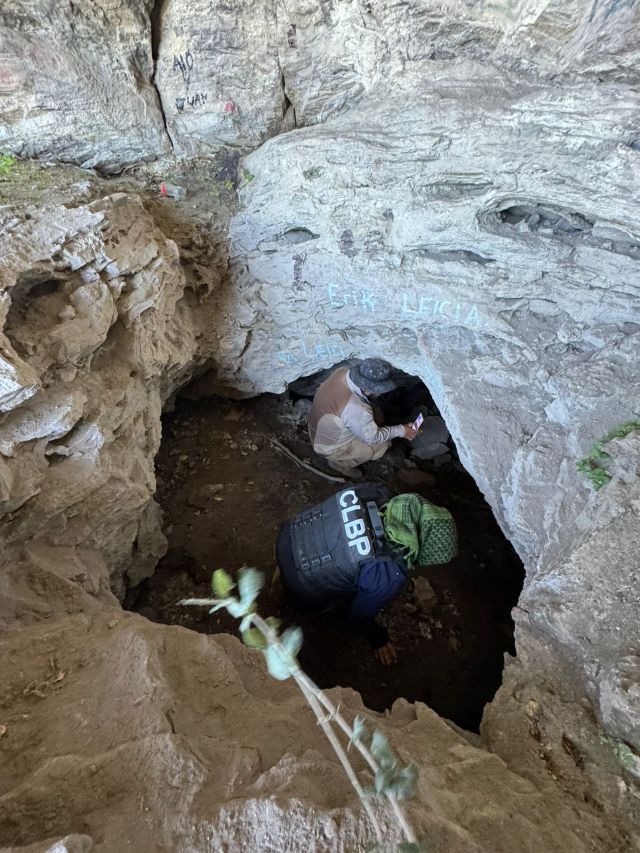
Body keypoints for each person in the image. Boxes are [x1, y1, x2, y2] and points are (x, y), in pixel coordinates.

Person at [275, 482, 458, 665]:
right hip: (300, 582)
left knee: (351, 563)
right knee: (343, 601)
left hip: (288, 534)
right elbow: (358, 616)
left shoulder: (377, 491)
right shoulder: (391, 573)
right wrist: (378, 639)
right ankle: (295, 592)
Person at [308, 358, 419, 478]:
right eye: (381, 390)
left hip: (317, 425)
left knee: (376, 414)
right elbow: (373, 438)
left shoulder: (342, 372)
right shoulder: (357, 409)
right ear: (369, 389)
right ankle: (341, 464)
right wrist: (402, 430)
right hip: (327, 447)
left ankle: (358, 436)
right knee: (382, 445)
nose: (382, 392)